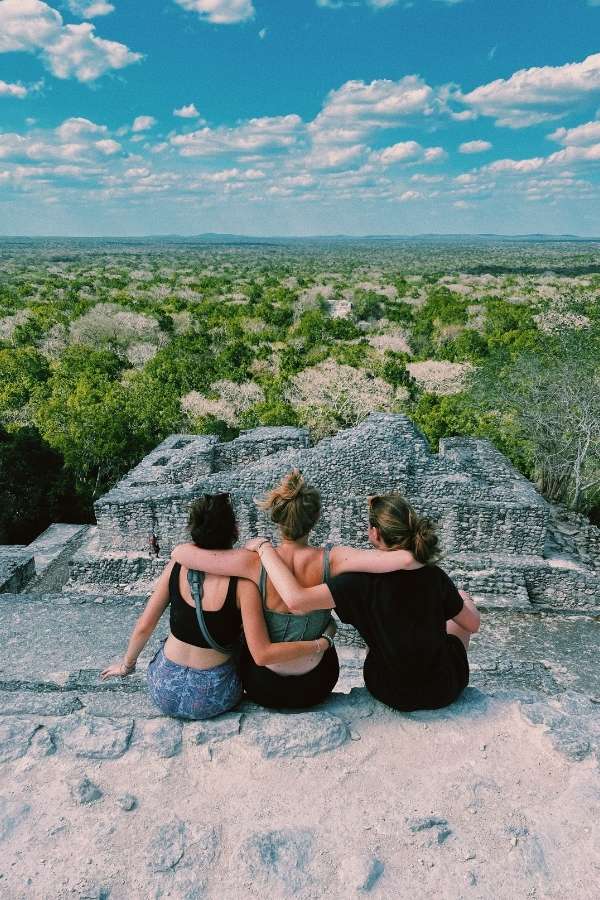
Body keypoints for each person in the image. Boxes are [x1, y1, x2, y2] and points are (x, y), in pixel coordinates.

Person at [170, 471, 418, 709]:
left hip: (262, 685)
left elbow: (180, 553)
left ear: (277, 518)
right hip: (317, 684)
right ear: (316, 516)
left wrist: (262, 546)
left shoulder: (253, 562)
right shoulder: (332, 560)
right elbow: (405, 560)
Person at [101, 494, 335, 720]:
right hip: (213, 695)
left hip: (165, 689)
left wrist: (126, 665)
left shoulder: (177, 565)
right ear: (234, 530)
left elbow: (145, 625)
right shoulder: (243, 582)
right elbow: (259, 650)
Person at [247, 493, 480, 713]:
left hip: (388, 689)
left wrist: (263, 547)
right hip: (442, 690)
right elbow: (472, 625)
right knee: (456, 619)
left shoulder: (355, 583)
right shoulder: (434, 576)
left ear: (375, 533)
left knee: (380, 630)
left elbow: (298, 600)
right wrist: (465, 600)